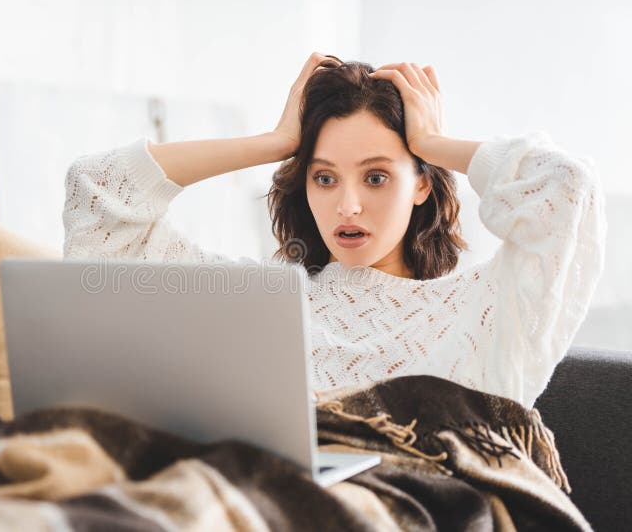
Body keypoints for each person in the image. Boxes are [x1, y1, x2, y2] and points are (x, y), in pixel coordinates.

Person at [62, 53, 607, 409]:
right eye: (324, 177)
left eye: (376, 176)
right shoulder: (262, 299)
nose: (347, 206)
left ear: (421, 184)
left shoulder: (483, 309)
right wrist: (274, 143)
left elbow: (567, 190)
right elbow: (98, 194)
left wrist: (433, 145)